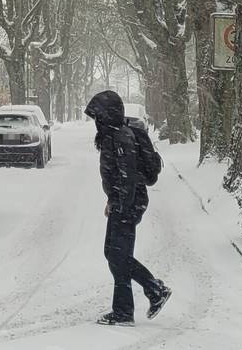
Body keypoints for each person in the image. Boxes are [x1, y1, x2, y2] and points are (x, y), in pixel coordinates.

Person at [84, 89, 171, 327]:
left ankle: (153, 290)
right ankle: (125, 310)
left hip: (129, 202)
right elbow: (120, 177)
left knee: (116, 254)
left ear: (108, 114)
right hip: (126, 201)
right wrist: (112, 199)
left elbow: (127, 176)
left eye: (98, 115)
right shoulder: (114, 135)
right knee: (116, 255)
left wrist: (119, 203)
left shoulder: (120, 137)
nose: (96, 121)